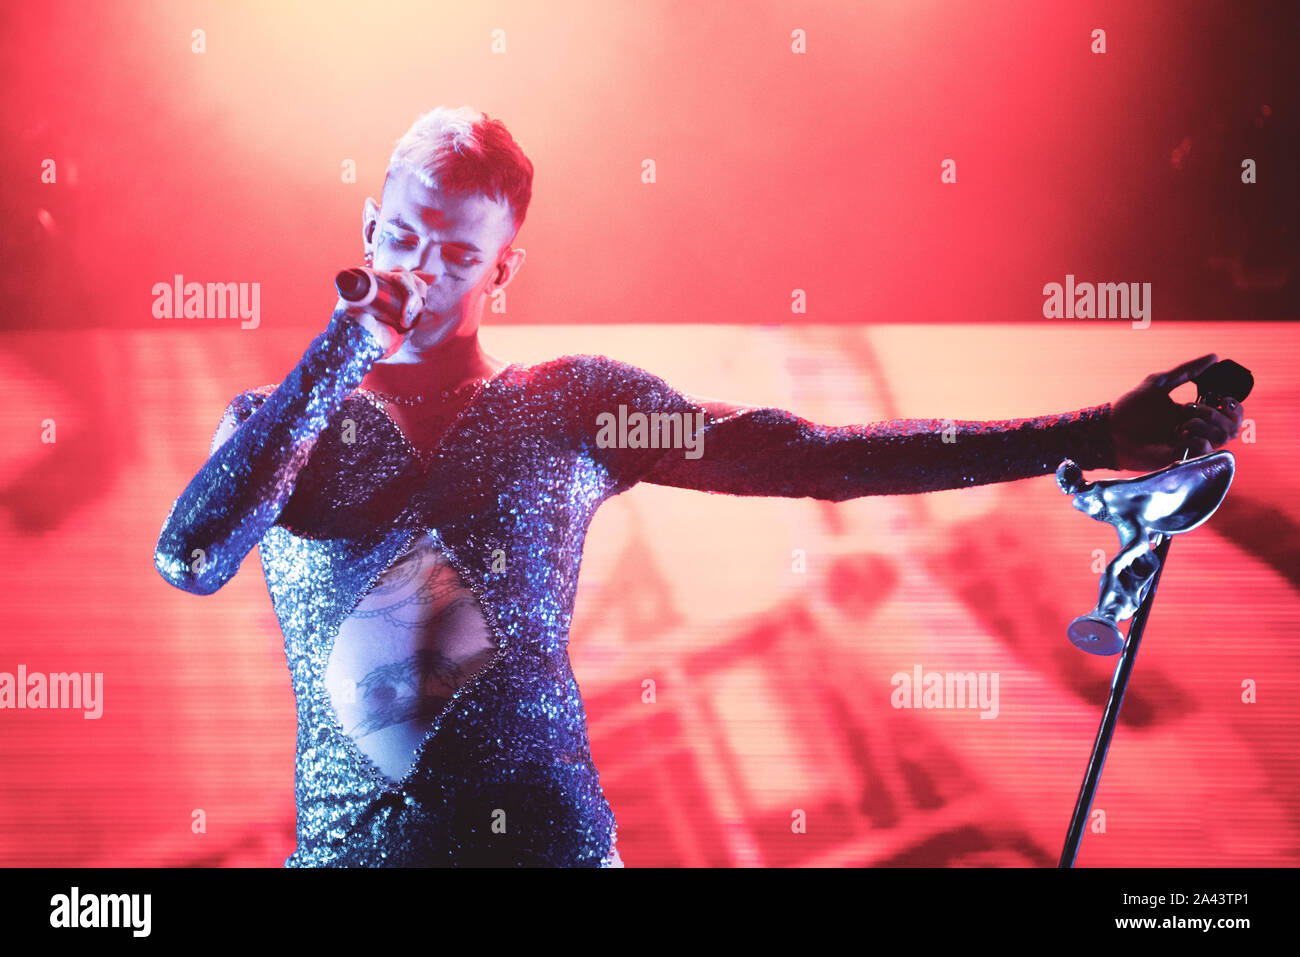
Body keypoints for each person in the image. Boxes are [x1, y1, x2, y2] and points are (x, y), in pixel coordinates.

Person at [154, 106, 1245, 867]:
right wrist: (343, 350)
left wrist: (1098, 429)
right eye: (400, 236)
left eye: (452, 253)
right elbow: (192, 555)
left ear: (505, 271)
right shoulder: (282, 425)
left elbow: (812, 455)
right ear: (365, 227)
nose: (417, 272)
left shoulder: (573, 407)